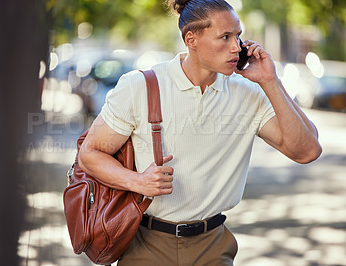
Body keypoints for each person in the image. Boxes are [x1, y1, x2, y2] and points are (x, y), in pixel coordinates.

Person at [78, 0, 322, 265]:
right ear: (191, 39)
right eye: (225, 37)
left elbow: (307, 151)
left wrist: (270, 81)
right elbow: (90, 153)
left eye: (238, 36)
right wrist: (135, 181)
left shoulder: (249, 92)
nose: (236, 47)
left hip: (214, 247)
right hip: (146, 244)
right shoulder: (140, 86)